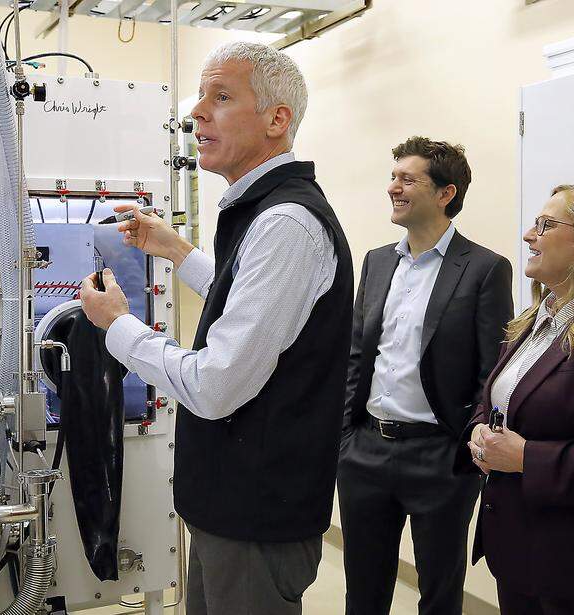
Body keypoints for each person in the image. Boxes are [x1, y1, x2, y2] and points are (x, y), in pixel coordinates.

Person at [79, 41, 353, 615]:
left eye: (221, 97)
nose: (196, 113)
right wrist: (175, 249)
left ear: (277, 119)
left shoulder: (286, 223)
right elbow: (253, 302)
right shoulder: (263, 212)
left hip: (256, 520)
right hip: (230, 508)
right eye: (200, 96)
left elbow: (214, 385)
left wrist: (118, 327)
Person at [338, 136, 512, 615]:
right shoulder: (377, 261)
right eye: (393, 177)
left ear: (445, 193)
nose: (393, 187)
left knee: (439, 594)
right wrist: (345, 438)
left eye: (407, 179)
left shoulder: (484, 269)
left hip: (440, 457)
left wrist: (467, 447)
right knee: (363, 592)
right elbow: (357, 355)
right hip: (365, 452)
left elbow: (492, 371)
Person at [457, 184, 574, 615]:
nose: (528, 235)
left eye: (545, 225)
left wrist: (527, 458)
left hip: (570, 559)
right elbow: (500, 398)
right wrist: (480, 429)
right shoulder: (534, 320)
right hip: (515, 548)